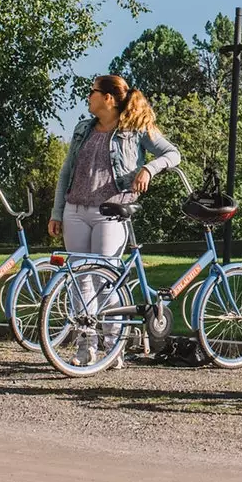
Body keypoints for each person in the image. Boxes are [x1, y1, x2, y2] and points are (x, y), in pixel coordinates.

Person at [50, 74, 181, 366]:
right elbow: (66, 170)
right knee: (80, 282)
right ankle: (86, 348)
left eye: (92, 92)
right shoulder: (83, 128)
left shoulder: (135, 129)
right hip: (75, 210)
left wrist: (148, 169)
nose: (88, 97)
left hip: (112, 212)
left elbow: (173, 154)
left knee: (108, 280)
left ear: (108, 98)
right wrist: (57, 212)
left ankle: (112, 348)